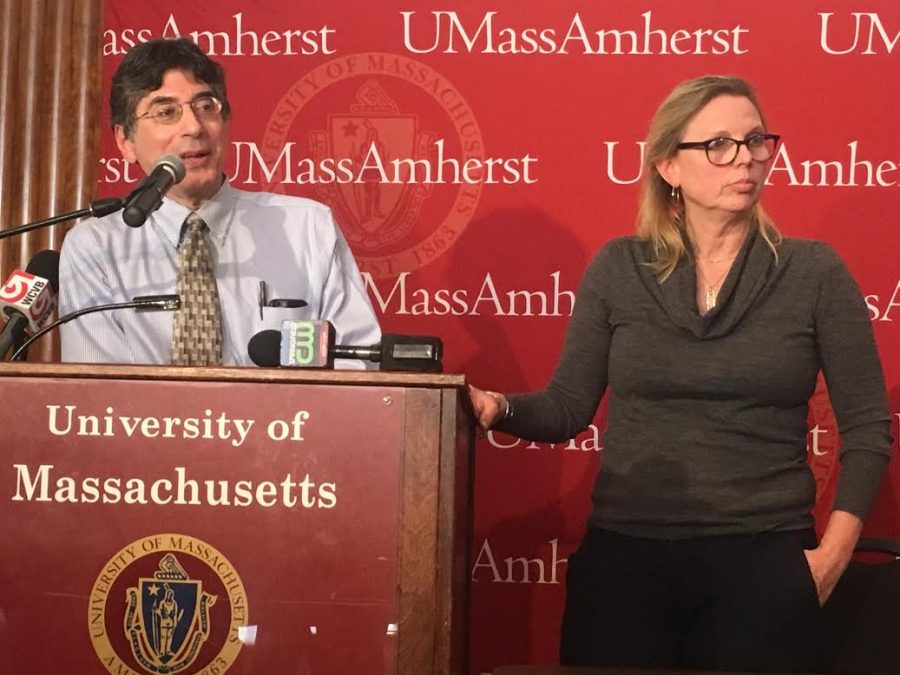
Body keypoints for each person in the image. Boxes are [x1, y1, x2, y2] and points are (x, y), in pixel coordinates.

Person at [469, 75, 892, 673]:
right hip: (625, 568)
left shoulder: (813, 272)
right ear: (669, 166)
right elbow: (567, 407)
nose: (744, 157)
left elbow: (869, 430)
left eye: (754, 140)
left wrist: (828, 561)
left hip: (764, 567)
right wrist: (497, 408)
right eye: (718, 144)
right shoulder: (619, 267)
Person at [59, 38, 380, 367]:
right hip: (148, 422)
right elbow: (96, 397)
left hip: (289, 420)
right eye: (166, 112)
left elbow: (361, 363)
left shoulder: (308, 228)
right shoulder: (96, 248)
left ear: (225, 121)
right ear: (125, 141)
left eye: (206, 106)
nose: (194, 127)